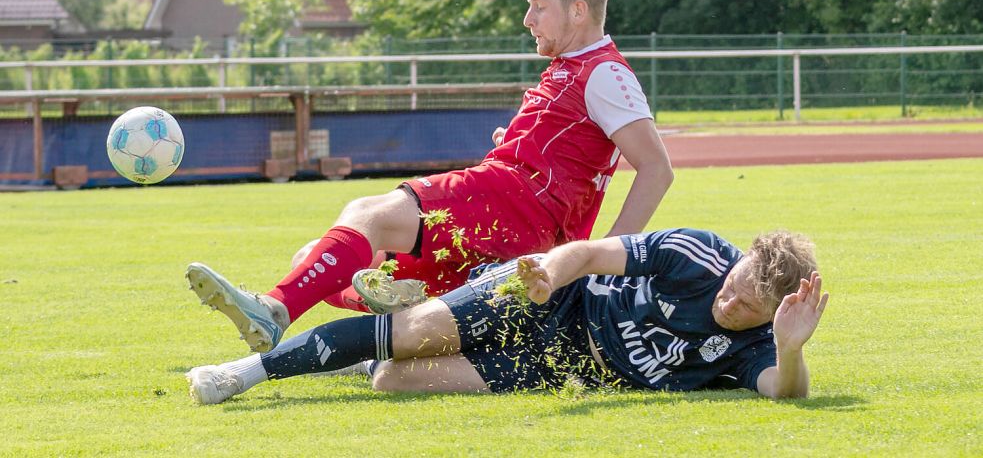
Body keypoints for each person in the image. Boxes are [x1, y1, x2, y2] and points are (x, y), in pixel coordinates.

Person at [185, 0, 674, 353]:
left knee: (366, 212)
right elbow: (573, 153)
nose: (528, 19)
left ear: (579, 11)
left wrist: (598, 262)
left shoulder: (605, 71)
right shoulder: (573, 66)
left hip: (517, 207)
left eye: (538, 6)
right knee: (314, 258)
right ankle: (407, 312)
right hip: (515, 221)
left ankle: (273, 311)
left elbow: (656, 169)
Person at [186, 227, 830, 403]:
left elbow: (784, 392)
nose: (727, 299)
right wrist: (550, 272)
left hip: (562, 366)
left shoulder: (761, 346)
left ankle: (368, 348)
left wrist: (793, 351)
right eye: (734, 283)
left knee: (393, 377)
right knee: (408, 333)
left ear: (773, 315)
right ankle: (242, 373)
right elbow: (593, 251)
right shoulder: (697, 255)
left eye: (744, 306)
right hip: (549, 296)